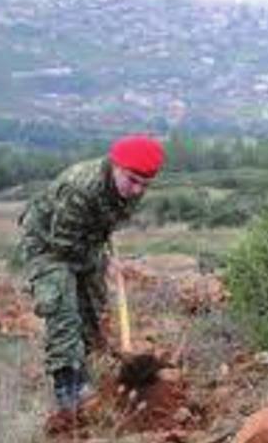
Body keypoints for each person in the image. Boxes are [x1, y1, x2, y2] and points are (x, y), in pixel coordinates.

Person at [18, 134, 165, 411]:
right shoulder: (81, 188)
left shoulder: (130, 189)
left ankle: (85, 372)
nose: (137, 190)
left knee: (93, 309)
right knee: (63, 308)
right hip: (48, 245)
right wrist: (103, 261)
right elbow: (63, 245)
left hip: (87, 242)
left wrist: (103, 254)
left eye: (144, 185)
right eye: (132, 180)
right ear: (115, 166)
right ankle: (67, 388)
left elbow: (104, 222)